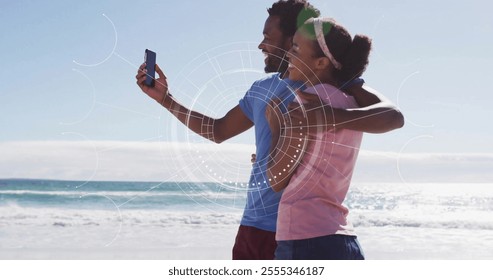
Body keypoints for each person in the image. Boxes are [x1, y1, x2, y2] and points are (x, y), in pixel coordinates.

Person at [136, 0, 403, 260]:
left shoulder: (336, 84)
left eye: (268, 37)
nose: (261, 44)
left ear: (292, 42)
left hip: (298, 233)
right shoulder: (262, 89)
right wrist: (166, 100)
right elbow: (217, 130)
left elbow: (391, 116)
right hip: (253, 226)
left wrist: (327, 116)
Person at [266, 17, 377, 259]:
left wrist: (276, 126)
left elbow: (276, 179)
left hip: (304, 240)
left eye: (295, 48)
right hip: (344, 239)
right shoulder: (350, 102)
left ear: (320, 62)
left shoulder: (304, 101)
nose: (289, 55)